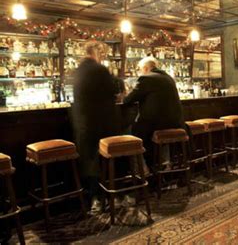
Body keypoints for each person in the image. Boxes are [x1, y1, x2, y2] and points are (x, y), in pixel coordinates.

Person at [72, 41, 119, 214]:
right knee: (102, 160)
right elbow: (113, 90)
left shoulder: (78, 70)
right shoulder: (100, 70)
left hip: (82, 123)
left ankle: (93, 198)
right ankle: (106, 197)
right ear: (96, 52)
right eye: (103, 53)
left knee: (89, 160)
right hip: (102, 123)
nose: (103, 57)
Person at [123, 57, 185, 167]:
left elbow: (128, 100)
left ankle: (144, 170)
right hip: (176, 123)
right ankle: (164, 165)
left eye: (140, 69)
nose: (140, 72)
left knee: (131, 134)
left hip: (157, 124)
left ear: (146, 68)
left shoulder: (146, 78)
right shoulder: (168, 78)